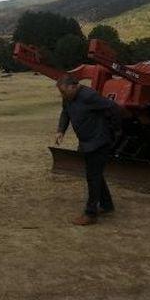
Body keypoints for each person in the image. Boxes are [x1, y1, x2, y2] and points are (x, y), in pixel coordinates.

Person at [55, 74, 121, 226]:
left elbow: (113, 107)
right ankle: (106, 205)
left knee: (93, 176)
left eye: (64, 92)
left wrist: (115, 130)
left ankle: (90, 214)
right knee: (95, 173)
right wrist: (61, 130)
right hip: (87, 142)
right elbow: (66, 112)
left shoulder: (89, 96)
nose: (62, 95)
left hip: (99, 142)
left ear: (73, 86)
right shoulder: (69, 98)